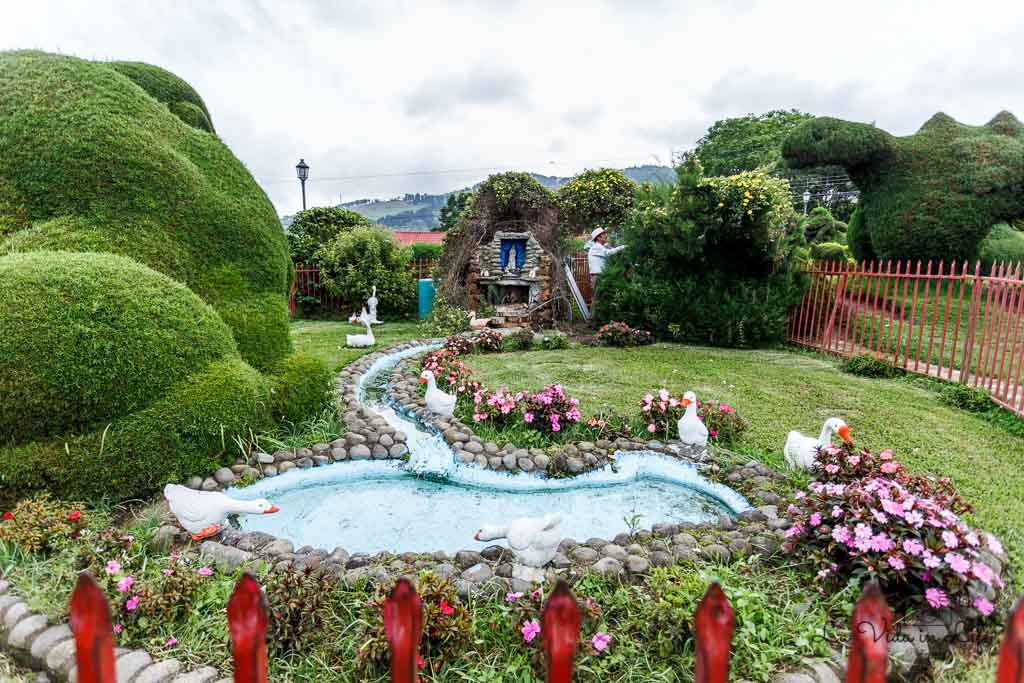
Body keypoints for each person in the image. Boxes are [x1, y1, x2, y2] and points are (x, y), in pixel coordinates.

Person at [586, 227, 625, 308]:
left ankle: (596, 318)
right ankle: (592, 319)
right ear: (598, 237)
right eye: (604, 234)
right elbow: (608, 253)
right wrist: (622, 247)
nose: (606, 236)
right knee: (597, 298)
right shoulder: (597, 247)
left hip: (599, 275)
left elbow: (608, 250)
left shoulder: (600, 247)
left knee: (600, 298)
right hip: (597, 276)